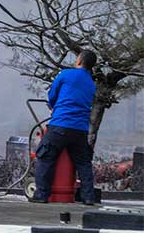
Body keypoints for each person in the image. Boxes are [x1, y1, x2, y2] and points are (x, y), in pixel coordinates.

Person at [30, 50, 98, 205]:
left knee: (45, 156)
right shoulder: (91, 84)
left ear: (79, 61)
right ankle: (88, 197)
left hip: (60, 125)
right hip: (80, 130)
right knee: (83, 162)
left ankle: (41, 195)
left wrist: (53, 106)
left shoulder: (65, 74)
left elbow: (52, 95)